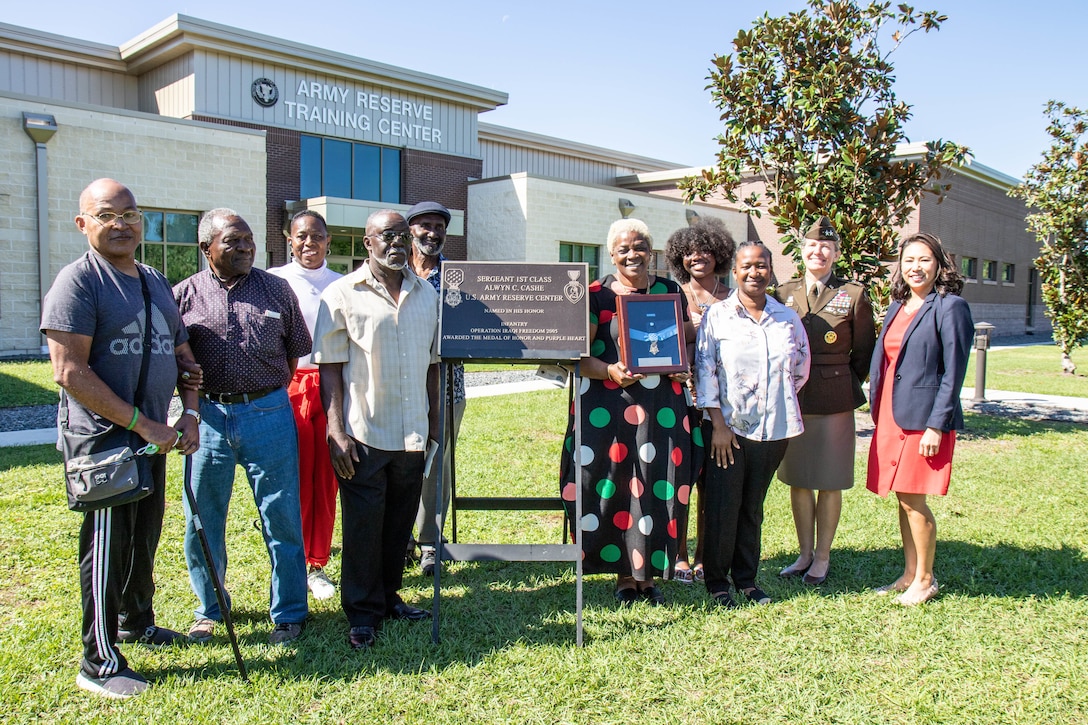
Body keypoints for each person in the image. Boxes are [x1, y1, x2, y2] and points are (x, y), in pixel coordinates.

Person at [42, 178, 201, 699]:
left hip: (153, 436)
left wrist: (190, 413)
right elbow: (69, 372)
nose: (122, 224)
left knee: (143, 538)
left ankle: (138, 622)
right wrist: (142, 423)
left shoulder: (154, 278)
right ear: (83, 223)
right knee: (107, 547)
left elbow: (182, 354)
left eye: (130, 214)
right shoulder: (79, 282)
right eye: (107, 215)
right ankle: (99, 660)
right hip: (106, 442)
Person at [174, 208, 311, 645]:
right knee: (202, 520)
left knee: (282, 516)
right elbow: (176, 361)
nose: (246, 247)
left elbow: (294, 357)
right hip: (208, 419)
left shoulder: (277, 290)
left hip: (268, 414)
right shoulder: (183, 296)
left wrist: (261, 395)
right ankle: (209, 608)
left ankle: (289, 613)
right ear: (206, 248)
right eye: (233, 241)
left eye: (249, 239)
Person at [313, 209, 439, 650]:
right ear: (368, 242)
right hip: (363, 431)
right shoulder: (341, 294)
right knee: (365, 526)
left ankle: (388, 598)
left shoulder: (427, 294)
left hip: (412, 433)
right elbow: (329, 368)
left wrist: (434, 426)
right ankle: (363, 614)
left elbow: (433, 367)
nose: (398, 244)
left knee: (399, 523)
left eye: (404, 236)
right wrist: (335, 431)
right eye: (388, 236)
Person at [559, 218, 695, 607]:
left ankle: (648, 575)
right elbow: (577, 357)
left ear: (650, 251)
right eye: (623, 248)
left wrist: (679, 364)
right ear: (611, 253)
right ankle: (622, 574)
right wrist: (610, 371)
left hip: (662, 408)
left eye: (639, 247)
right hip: (607, 406)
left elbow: (681, 340)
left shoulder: (670, 291)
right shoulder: (595, 294)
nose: (632, 254)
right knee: (614, 483)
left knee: (657, 481)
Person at [695, 240, 809, 608]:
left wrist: (775, 398)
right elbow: (705, 370)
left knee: (752, 508)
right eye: (746, 266)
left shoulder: (787, 318)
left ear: (770, 270)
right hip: (727, 432)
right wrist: (718, 425)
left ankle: (746, 579)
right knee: (722, 506)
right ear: (735, 271)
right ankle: (716, 581)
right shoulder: (717, 316)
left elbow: (800, 367)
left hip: (774, 430)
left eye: (761, 265)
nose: (754, 272)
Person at [866, 232, 973, 606]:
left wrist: (936, 425)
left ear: (939, 264)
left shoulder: (950, 307)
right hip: (892, 415)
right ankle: (909, 573)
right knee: (901, 497)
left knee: (914, 499)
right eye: (908, 260)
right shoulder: (898, 306)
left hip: (924, 420)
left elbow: (953, 373)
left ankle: (925, 580)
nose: (915, 267)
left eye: (924, 259)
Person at [773, 217, 876, 585]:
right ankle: (803, 553)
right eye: (811, 246)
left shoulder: (854, 294)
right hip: (795, 400)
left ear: (835, 253)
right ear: (801, 251)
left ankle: (823, 556)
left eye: (826, 247)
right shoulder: (783, 292)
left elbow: (864, 350)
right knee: (799, 480)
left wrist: (844, 382)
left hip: (834, 400)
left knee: (829, 481)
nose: (818, 252)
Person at [269, 210, 343, 600]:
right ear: (289, 240)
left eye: (317, 236)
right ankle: (291, 561)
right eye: (301, 236)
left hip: (331, 386)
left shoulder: (343, 284)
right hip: (289, 385)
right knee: (294, 479)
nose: (309, 243)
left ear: (329, 241)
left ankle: (318, 563)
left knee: (325, 480)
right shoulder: (273, 281)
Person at [663, 217, 735, 584]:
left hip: (723, 406)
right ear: (680, 258)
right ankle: (678, 556)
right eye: (689, 252)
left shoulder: (734, 298)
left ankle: (707, 554)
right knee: (680, 480)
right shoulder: (671, 294)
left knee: (714, 482)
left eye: (706, 250)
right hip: (680, 399)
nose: (697, 257)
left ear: (720, 253)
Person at [404, 201, 464, 577]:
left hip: (446, 386)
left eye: (439, 226)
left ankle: (430, 542)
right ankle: (399, 539)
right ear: (411, 230)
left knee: (435, 465)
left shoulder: (459, 277)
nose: (432, 232)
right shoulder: (392, 271)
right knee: (398, 462)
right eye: (425, 225)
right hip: (396, 385)